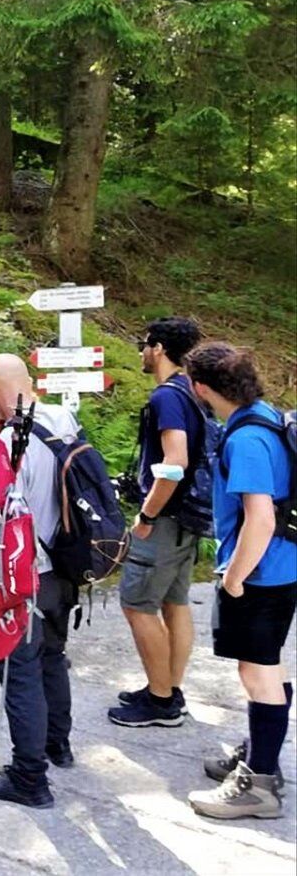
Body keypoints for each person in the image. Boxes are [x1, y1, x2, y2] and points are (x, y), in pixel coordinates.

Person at [184, 343, 295, 819]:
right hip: (284, 564)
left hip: (261, 572)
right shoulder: (264, 415)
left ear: (201, 388)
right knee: (266, 666)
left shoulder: (245, 439)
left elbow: (261, 518)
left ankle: (261, 786)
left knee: (257, 671)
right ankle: (259, 755)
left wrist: (234, 577)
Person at [0, 354, 80, 809]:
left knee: (19, 671)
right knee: (53, 658)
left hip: (26, 576)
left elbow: (0, 515)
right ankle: (59, 744)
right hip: (66, 567)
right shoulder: (64, 420)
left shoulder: (8, 441)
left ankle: (29, 777)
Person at [110, 317, 203, 728]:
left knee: (137, 605)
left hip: (164, 519)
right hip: (188, 519)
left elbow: (175, 461)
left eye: (144, 344)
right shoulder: (194, 391)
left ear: (160, 348)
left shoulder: (167, 397)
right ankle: (168, 687)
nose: (143, 352)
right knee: (174, 602)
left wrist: (147, 515)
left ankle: (161, 701)